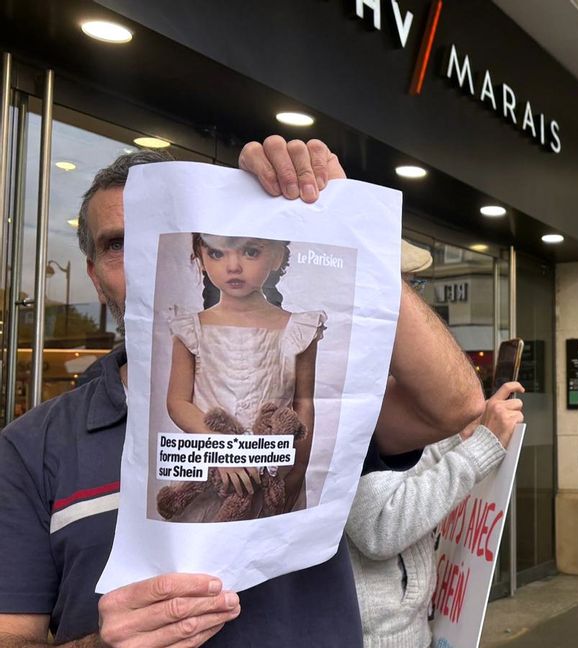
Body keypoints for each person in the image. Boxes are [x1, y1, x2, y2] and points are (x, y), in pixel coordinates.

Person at [0, 137, 485, 646]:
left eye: (158, 231)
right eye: (118, 244)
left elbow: (456, 405)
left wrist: (343, 221)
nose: (143, 256)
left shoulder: (316, 382)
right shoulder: (32, 449)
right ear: (96, 278)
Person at [346, 381, 525, 646]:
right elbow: (380, 525)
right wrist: (479, 450)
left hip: (408, 628)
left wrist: (461, 437)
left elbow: (399, 475)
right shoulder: (350, 402)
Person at [159, 234, 323, 522]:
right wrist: (220, 448)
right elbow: (177, 402)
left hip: (275, 478)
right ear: (200, 256)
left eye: (250, 252)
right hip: (212, 477)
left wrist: (298, 471)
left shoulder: (299, 329)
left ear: (277, 256)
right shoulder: (190, 328)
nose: (233, 266)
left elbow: (304, 403)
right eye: (217, 254)